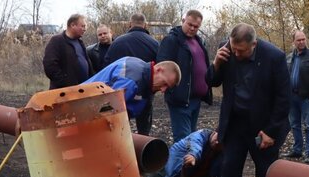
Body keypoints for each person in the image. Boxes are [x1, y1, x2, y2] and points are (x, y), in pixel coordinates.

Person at [199, 23, 290, 177]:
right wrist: (217, 63)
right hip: (235, 124)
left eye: (241, 50)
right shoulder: (226, 50)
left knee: (265, 175)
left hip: (263, 127)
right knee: (228, 171)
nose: (236, 54)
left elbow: (284, 98)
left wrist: (271, 131)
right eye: (233, 49)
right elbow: (211, 81)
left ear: (254, 44)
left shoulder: (274, 57)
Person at [156, 9, 212, 142]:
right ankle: (180, 163)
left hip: (195, 99)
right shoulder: (171, 40)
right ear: (183, 21)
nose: (192, 28)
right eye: (189, 24)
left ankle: (189, 162)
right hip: (180, 99)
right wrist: (173, 90)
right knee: (183, 140)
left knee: (191, 138)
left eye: (196, 26)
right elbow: (161, 67)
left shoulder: (199, 42)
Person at [105, 13, 160, 135]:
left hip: (121, 93)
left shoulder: (117, 42)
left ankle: (122, 149)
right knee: (144, 128)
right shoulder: (154, 44)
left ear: (130, 24)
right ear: (145, 25)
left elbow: (108, 65)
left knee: (120, 127)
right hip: (145, 93)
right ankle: (143, 148)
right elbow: (159, 69)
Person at [82, 57, 181, 119]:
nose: (163, 90)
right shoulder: (132, 81)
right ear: (159, 70)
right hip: (80, 107)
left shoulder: (142, 71)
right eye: (165, 83)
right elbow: (105, 112)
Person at [282, 30, 309, 164]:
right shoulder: (289, 57)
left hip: (306, 97)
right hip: (292, 96)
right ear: (293, 42)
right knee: (294, 125)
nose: (301, 42)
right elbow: (284, 76)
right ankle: (297, 150)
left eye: (303, 39)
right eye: (298, 40)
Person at [43, 14, 93, 89]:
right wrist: (64, 83)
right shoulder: (57, 41)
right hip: (66, 93)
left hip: (84, 89)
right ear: (72, 25)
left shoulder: (80, 42)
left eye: (85, 26)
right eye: (82, 26)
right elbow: (49, 65)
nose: (85, 29)